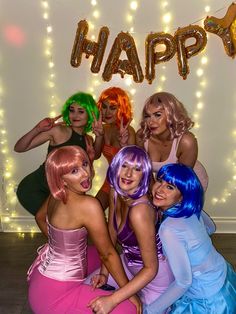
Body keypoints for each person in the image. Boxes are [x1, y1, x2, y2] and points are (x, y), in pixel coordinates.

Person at [27, 145, 141, 314]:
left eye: (85, 164)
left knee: (100, 255)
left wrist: (59, 248)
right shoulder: (89, 205)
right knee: (130, 309)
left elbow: (39, 217)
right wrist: (129, 293)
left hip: (41, 282)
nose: (85, 173)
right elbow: (108, 254)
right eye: (74, 171)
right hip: (54, 297)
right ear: (61, 179)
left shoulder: (57, 194)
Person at [88, 146, 174, 313]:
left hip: (155, 277)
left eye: (137, 169)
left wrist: (113, 299)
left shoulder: (139, 211)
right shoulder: (115, 192)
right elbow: (111, 234)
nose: (128, 174)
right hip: (128, 264)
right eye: (124, 166)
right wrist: (105, 273)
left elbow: (151, 268)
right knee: (88, 288)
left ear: (144, 175)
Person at [144, 163, 236, 314]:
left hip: (208, 299)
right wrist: (195, 244)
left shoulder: (168, 229)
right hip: (222, 275)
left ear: (182, 196)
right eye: (160, 181)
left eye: (170, 187)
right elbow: (211, 228)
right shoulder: (191, 209)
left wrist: (150, 310)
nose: (160, 189)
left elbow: (183, 282)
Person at [14, 92, 100, 216]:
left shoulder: (88, 140)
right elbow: (19, 148)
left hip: (59, 193)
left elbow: (91, 163)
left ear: (91, 114)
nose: (75, 115)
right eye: (72, 110)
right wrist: (37, 128)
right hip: (35, 189)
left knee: (61, 226)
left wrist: (99, 137)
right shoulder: (58, 131)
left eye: (81, 111)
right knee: (55, 224)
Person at [136, 92, 208, 191]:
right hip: (162, 183)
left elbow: (181, 181)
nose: (151, 122)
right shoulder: (142, 136)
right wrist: (153, 193)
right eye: (148, 116)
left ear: (171, 114)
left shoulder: (186, 141)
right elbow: (145, 172)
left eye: (157, 115)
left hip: (187, 183)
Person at [92, 87, 136, 211]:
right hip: (111, 179)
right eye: (104, 107)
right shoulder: (104, 129)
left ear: (121, 109)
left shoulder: (128, 131)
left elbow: (133, 164)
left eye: (113, 108)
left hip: (128, 181)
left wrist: (124, 145)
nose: (107, 112)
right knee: (94, 210)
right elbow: (95, 155)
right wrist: (99, 135)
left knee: (119, 222)